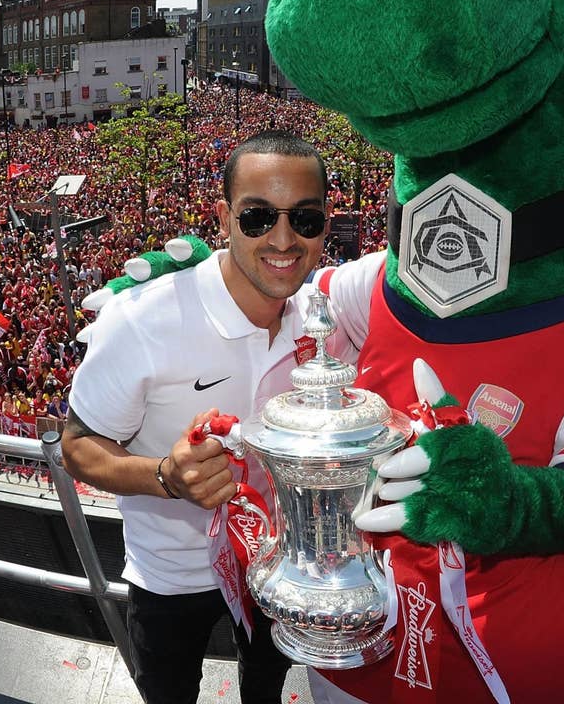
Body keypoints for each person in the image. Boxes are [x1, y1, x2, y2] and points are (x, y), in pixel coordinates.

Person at [62, 130, 345, 704]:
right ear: (223, 218)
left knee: (265, 689)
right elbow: (77, 445)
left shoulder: (325, 317)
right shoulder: (144, 319)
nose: (283, 239)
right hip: (169, 576)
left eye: (305, 220)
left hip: (277, 562)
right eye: (258, 217)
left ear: (326, 225)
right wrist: (167, 477)